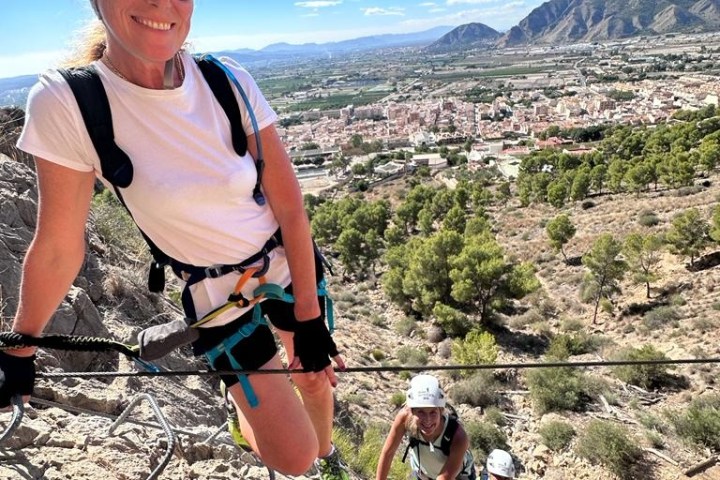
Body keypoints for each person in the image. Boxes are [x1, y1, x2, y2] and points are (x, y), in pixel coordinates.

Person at [1, 0, 349, 478]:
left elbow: (289, 207)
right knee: (292, 457)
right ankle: (255, 420)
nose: (160, 3)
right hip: (216, 295)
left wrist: (308, 317)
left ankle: (328, 455)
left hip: (286, 261)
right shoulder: (70, 103)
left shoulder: (227, 81)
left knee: (313, 385)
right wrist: (19, 348)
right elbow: (59, 246)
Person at [376, 374, 476, 480]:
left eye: (433, 412)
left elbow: (445, 477)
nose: (428, 420)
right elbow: (388, 453)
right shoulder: (404, 418)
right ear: (411, 411)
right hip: (424, 473)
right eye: (421, 412)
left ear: (441, 410)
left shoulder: (458, 436)